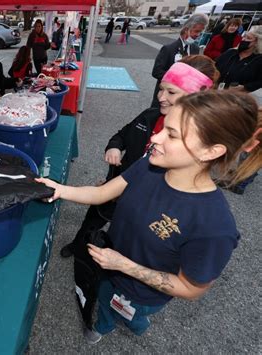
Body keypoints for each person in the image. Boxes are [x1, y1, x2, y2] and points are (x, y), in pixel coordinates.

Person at [38, 90, 261, 343]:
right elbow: (102, 193)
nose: (155, 137)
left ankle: (117, 325)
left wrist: (124, 265)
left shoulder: (214, 226)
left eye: (172, 134)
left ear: (210, 151)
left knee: (121, 313)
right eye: (164, 127)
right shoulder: (150, 165)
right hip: (109, 266)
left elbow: (191, 288)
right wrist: (60, 190)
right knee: (102, 297)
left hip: (140, 293)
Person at [60, 55, 220, 259]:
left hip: (142, 209)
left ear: (195, 96)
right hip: (117, 188)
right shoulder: (150, 115)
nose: (161, 97)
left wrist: (127, 266)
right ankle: (78, 246)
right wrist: (114, 148)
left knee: (124, 239)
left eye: (171, 92)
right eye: (161, 88)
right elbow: (121, 135)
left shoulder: (195, 149)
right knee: (93, 221)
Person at [151, 14, 209, 107]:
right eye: (196, 31)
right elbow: (156, 72)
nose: (198, 35)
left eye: (200, 32)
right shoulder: (169, 49)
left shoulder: (195, 48)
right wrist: (178, 81)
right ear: (187, 29)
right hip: (166, 95)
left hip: (184, 97)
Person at [215, 25, 262, 92]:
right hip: (215, 91)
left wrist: (246, 87)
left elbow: (260, 81)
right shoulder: (230, 53)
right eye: (244, 36)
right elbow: (215, 66)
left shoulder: (259, 60)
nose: (243, 39)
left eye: (248, 38)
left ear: (257, 42)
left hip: (235, 97)